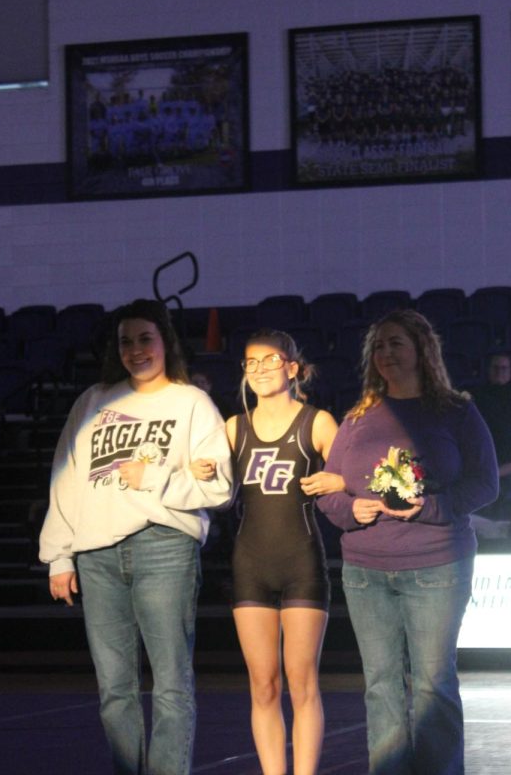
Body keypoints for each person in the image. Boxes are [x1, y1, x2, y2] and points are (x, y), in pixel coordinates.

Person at [39, 299, 233, 775]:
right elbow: (65, 477)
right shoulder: (93, 400)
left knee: (170, 683)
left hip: (164, 548)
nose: (136, 350)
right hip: (97, 554)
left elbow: (219, 487)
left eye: (146, 338)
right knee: (114, 688)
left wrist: (156, 477)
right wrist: (59, 555)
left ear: (165, 341)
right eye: (126, 341)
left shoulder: (191, 403)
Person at [317, 309, 499, 775]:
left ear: (422, 349)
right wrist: (348, 512)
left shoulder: (456, 411)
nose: (386, 353)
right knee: (380, 688)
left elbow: (486, 484)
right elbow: (330, 487)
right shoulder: (357, 418)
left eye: (396, 343)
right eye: (378, 346)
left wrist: (431, 508)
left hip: (436, 567)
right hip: (365, 572)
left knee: (433, 686)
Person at [191, 329, 341, 775]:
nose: (258, 370)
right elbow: (213, 487)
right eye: (250, 363)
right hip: (250, 566)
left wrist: (340, 481)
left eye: (269, 361)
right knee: (263, 685)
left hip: (302, 564)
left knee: (303, 683)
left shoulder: (317, 422)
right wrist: (202, 468)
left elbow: (350, 477)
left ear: (292, 368)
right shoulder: (234, 427)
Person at [471, 352, 511, 493]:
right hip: (486, 449)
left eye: (504, 368)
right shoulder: (479, 394)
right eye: (496, 368)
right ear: (489, 370)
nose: (499, 372)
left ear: (510, 370)